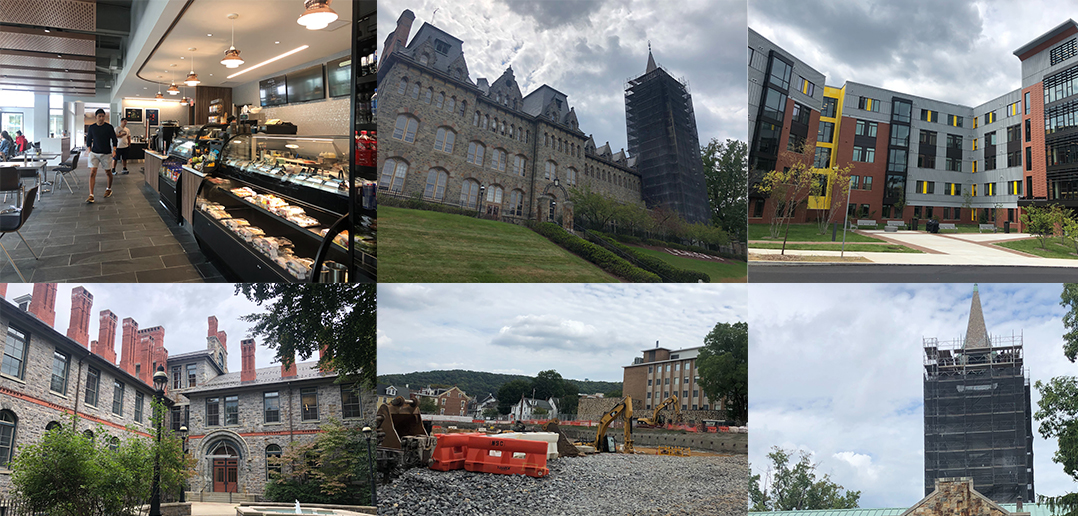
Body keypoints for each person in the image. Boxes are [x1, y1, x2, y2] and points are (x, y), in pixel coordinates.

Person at [85, 108, 118, 203]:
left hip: (106, 153)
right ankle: (91, 195)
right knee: (92, 173)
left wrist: (114, 150)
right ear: (96, 117)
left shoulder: (109, 127)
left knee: (108, 172)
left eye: (103, 116)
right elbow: (89, 140)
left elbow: (114, 139)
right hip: (94, 153)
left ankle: (109, 188)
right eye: (99, 116)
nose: (101, 118)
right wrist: (90, 151)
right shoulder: (92, 127)